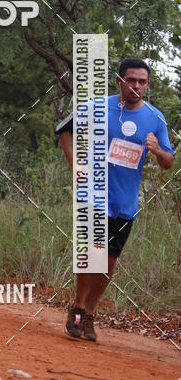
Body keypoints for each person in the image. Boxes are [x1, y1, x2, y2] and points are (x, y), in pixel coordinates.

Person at [57, 58, 174, 342]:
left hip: (125, 203)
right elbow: (64, 131)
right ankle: (77, 310)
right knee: (93, 254)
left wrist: (158, 150)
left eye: (142, 82)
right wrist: (76, 166)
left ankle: (88, 313)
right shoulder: (97, 107)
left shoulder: (155, 118)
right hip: (94, 195)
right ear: (119, 82)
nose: (136, 86)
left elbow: (168, 162)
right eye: (131, 80)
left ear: (147, 85)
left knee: (108, 262)